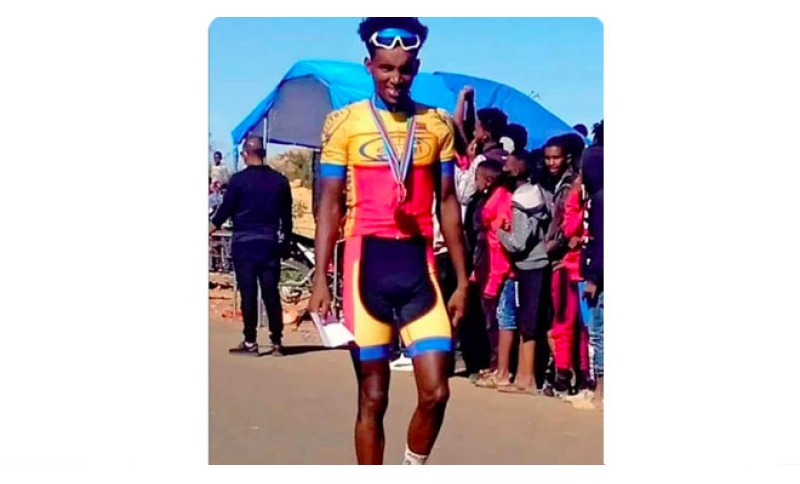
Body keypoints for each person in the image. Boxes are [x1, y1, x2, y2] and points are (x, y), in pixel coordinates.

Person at [307, 17, 469, 466]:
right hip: (366, 264)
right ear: (369, 66)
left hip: (419, 266)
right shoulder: (344, 123)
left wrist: (463, 280)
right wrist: (320, 278)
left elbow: (448, 203)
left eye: (405, 69)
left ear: (416, 67)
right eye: (386, 68)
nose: (396, 78)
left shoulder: (436, 125)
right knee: (373, 397)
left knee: (437, 392)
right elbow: (329, 206)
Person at [209, 136, 292, 357]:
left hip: (244, 244)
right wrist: (285, 242)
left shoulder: (238, 181)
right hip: (269, 243)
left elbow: (224, 211)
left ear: (245, 154)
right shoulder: (280, 181)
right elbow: (287, 217)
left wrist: (209, 229)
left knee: (248, 293)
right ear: (263, 153)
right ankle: (277, 342)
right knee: (270, 293)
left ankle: (250, 341)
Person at [496, 150, 552, 395]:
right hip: (538, 263)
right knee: (530, 321)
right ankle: (523, 375)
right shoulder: (540, 193)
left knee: (528, 323)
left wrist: (499, 232)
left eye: (507, 164)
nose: (504, 167)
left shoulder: (522, 199)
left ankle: (527, 379)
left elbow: (518, 242)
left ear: (518, 169)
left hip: (529, 265)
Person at [469, 159, 513, 389]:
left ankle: (500, 367)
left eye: (476, 178)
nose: (474, 183)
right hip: (484, 266)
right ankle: (493, 364)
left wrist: (493, 281)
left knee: (497, 321)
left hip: (496, 271)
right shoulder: (487, 201)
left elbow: (499, 247)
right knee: (489, 320)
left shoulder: (502, 203)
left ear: (487, 180)